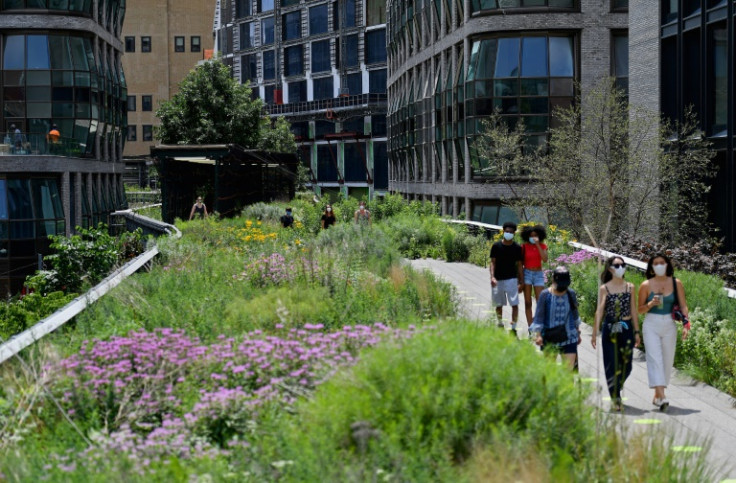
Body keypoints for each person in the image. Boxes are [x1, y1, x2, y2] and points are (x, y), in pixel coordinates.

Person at [637, 253, 689, 412]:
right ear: (652, 268)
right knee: (654, 359)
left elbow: (683, 305)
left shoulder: (676, 283)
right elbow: (639, 310)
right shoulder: (645, 285)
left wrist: (687, 323)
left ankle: (658, 394)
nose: (659, 265)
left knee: (667, 360)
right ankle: (662, 396)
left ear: (667, 265)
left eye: (662, 263)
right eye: (656, 263)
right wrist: (651, 304)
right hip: (651, 323)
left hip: (669, 324)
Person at [592, 256, 640, 412]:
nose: (621, 267)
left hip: (626, 327)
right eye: (617, 265)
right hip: (610, 327)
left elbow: (633, 309)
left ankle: (616, 387)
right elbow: (599, 311)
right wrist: (594, 333)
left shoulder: (630, 287)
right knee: (611, 363)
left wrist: (637, 331)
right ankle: (615, 396)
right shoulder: (604, 288)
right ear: (610, 268)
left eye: (623, 265)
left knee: (627, 365)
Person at [530, 266, 581, 369]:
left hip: (569, 337)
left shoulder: (571, 294)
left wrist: (578, 332)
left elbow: (575, 314)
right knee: (549, 371)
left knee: (568, 372)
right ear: (553, 280)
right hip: (549, 338)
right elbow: (539, 317)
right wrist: (538, 335)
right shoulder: (545, 295)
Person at [490, 221, 523, 335]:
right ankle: (500, 323)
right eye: (506, 231)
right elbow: (492, 263)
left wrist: (521, 282)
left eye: (511, 232)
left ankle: (513, 328)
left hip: (512, 279)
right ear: (503, 231)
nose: (508, 233)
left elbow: (519, 265)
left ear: (514, 233)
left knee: (514, 304)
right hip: (498, 279)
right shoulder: (496, 246)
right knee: (499, 304)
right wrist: (492, 277)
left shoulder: (517, 248)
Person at [521, 224, 549, 330]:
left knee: (540, 301)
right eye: (531, 236)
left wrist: (537, 244)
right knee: (528, 302)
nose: (533, 237)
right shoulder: (523, 246)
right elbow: (520, 263)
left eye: (535, 235)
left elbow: (545, 259)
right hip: (527, 273)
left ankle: (537, 323)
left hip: (538, 274)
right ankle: (530, 327)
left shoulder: (543, 246)